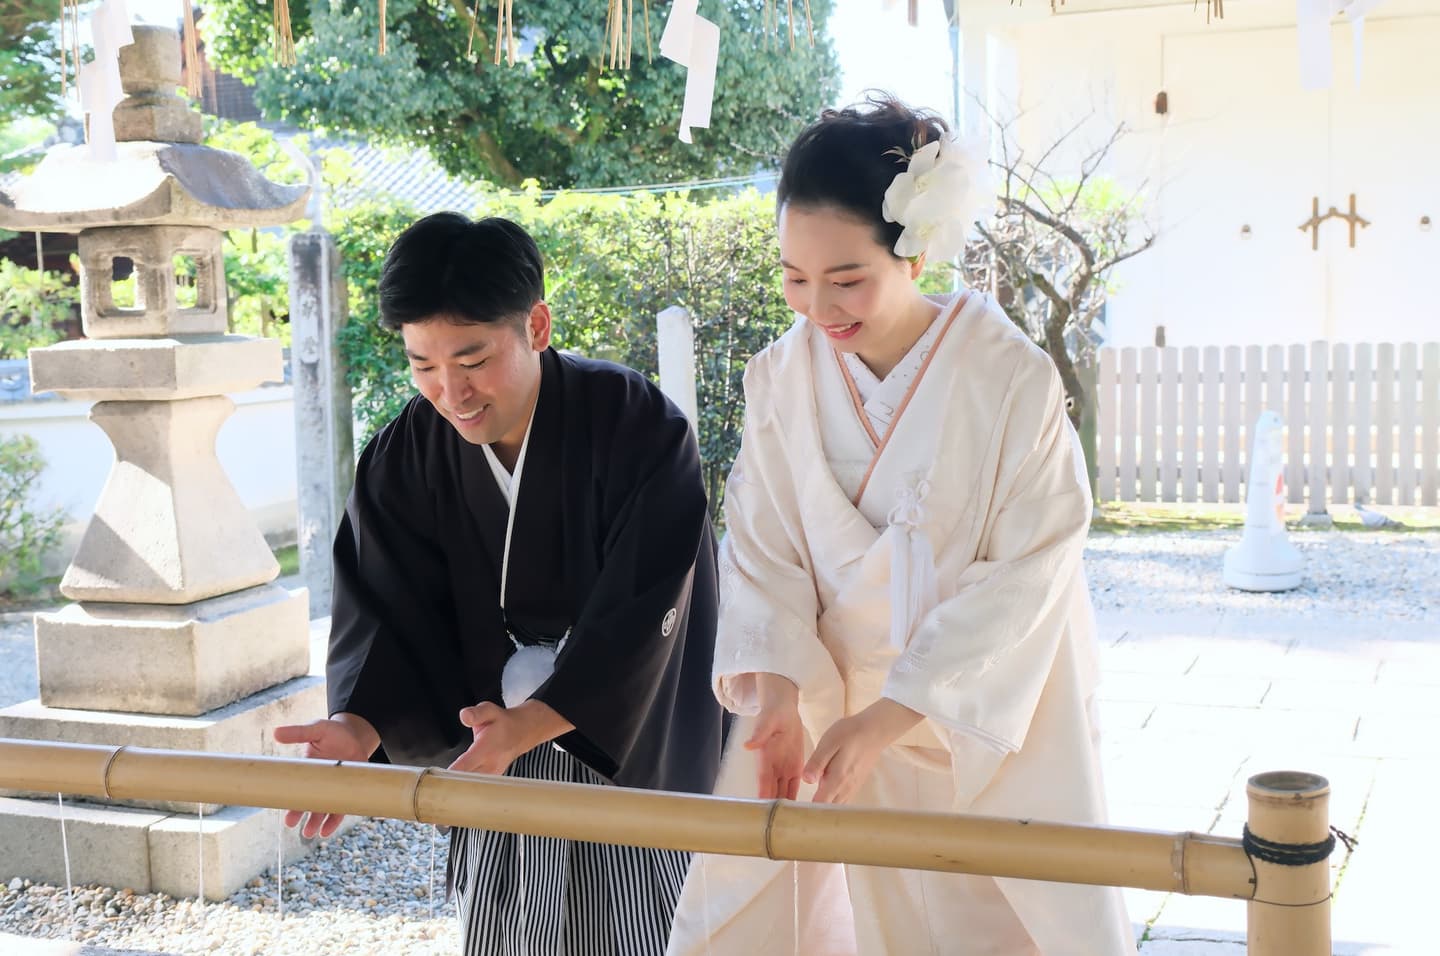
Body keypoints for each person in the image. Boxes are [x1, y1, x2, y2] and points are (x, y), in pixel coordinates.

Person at [666, 98, 1136, 955]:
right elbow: (762, 547)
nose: (818, 306)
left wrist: (896, 712)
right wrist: (774, 693)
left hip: (982, 715)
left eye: (846, 280)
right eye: (793, 277)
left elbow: (1030, 569)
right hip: (830, 705)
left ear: (913, 250)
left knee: (1003, 917)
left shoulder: (1010, 378)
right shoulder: (779, 377)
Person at [273, 212, 726, 956]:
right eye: (422, 365)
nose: (451, 391)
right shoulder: (405, 453)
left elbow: (651, 605)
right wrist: (360, 723)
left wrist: (538, 718)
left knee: (657, 927)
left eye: (473, 357)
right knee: (515, 930)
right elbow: (385, 609)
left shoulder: (636, 424)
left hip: (627, 743)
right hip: (494, 746)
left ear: (537, 325)